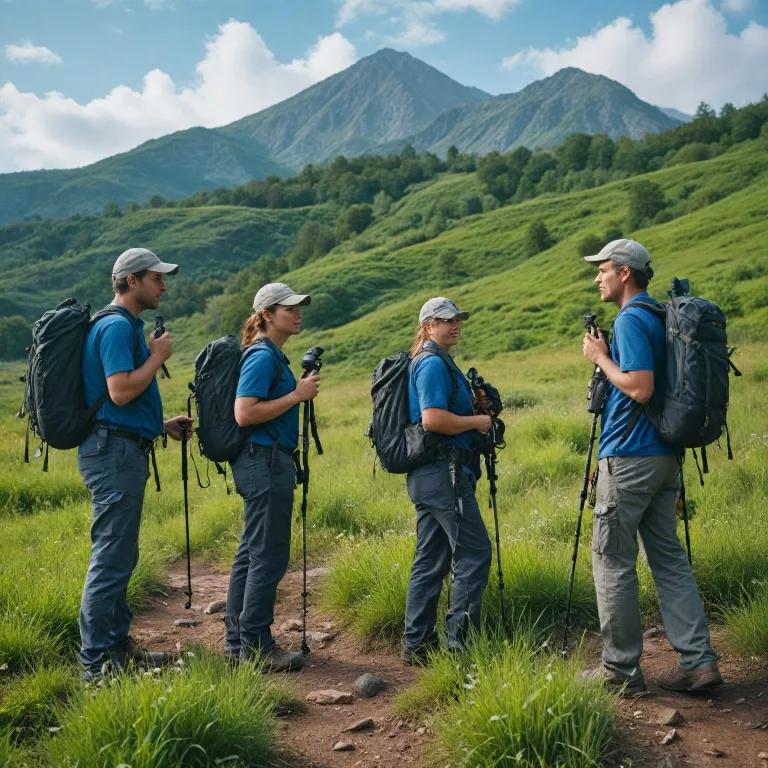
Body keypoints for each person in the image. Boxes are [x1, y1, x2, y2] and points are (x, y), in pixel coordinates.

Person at [581, 238, 722, 693]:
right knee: (668, 560)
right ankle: (698, 663)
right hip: (664, 458)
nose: (597, 277)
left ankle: (619, 672)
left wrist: (601, 358)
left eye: (602, 269)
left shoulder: (630, 320)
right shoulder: (662, 317)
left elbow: (640, 387)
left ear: (624, 272)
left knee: (611, 560)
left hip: (629, 457)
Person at [79, 248, 193, 683]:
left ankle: (118, 648)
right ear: (130, 281)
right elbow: (121, 391)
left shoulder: (124, 327)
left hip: (121, 446)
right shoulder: (114, 327)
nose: (163, 286)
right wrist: (156, 357)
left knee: (121, 554)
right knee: (111, 558)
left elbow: (117, 403)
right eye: (156, 278)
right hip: (113, 455)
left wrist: (159, 425)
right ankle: (95, 666)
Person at [224, 283, 319, 672]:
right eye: (288, 308)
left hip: (261, 462)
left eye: (298, 308)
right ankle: (258, 648)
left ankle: (237, 645)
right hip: (264, 463)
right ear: (266, 315)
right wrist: (296, 396)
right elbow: (244, 413)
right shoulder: (262, 356)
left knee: (251, 554)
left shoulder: (271, 355)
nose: (297, 314)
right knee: (267, 556)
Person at [402, 297, 493, 666]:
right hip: (444, 474)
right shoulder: (432, 363)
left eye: (457, 319)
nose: (454, 325)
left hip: (432, 475)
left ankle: (417, 644)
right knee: (475, 552)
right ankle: (459, 646)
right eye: (444, 320)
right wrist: (478, 423)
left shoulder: (437, 360)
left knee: (432, 558)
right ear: (427, 326)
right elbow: (433, 420)